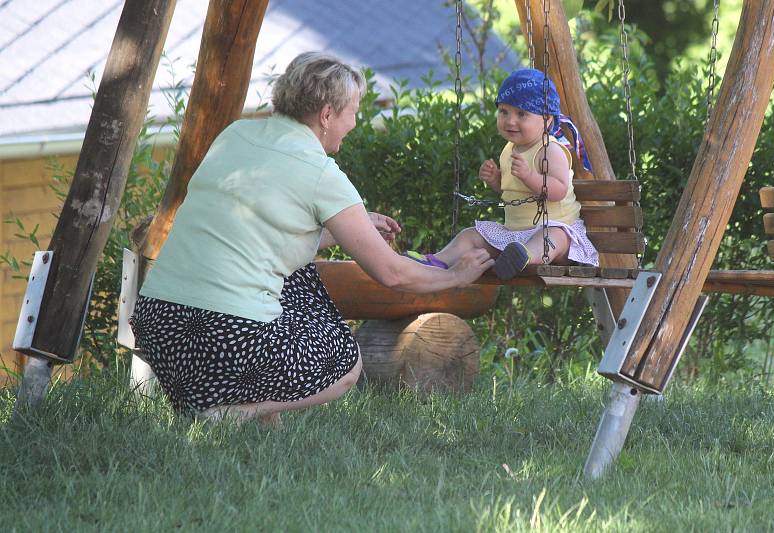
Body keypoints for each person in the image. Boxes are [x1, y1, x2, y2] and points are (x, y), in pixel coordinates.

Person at [129, 52, 493, 424]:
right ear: (327, 114)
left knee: (292, 276)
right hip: (227, 336)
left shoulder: (236, 133)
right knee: (345, 363)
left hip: (159, 324)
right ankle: (232, 412)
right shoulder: (321, 173)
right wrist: (454, 277)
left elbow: (262, 238)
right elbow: (392, 274)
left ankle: (229, 408)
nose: (354, 122)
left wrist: (346, 229)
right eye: (353, 110)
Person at [409, 68, 598, 280]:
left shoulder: (550, 149)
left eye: (521, 114)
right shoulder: (509, 149)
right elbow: (512, 191)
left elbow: (559, 191)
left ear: (546, 120)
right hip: (515, 233)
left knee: (553, 237)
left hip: (555, 228)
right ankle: (435, 260)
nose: (510, 121)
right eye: (504, 112)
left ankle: (522, 257)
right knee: (471, 235)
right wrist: (495, 180)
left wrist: (530, 176)